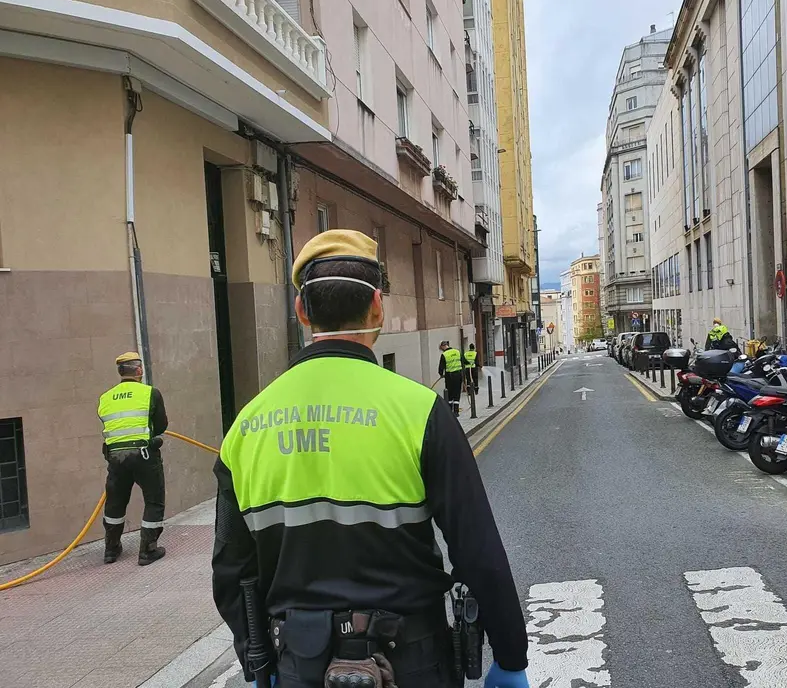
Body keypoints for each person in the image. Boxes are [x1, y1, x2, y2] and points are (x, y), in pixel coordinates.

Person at [211, 230, 529, 688]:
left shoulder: (245, 427)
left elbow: (231, 569)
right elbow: (477, 549)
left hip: (299, 663)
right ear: (377, 307)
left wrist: (258, 660)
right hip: (414, 663)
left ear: (302, 311)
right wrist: (510, 657)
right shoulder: (420, 411)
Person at [97, 352, 168, 565]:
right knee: (154, 501)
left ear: (120, 372)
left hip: (115, 458)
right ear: (139, 370)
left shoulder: (105, 397)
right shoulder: (150, 393)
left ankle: (111, 549)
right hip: (144, 455)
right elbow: (161, 425)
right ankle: (148, 550)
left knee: (115, 502)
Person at [438, 340, 464, 416]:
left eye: (441, 348)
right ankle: (456, 411)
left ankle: (450, 411)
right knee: (457, 393)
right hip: (458, 375)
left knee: (449, 394)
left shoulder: (444, 355)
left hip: (449, 376)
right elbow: (463, 363)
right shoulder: (457, 352)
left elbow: (441, 367)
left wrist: (441, 374)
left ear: (443, 346)